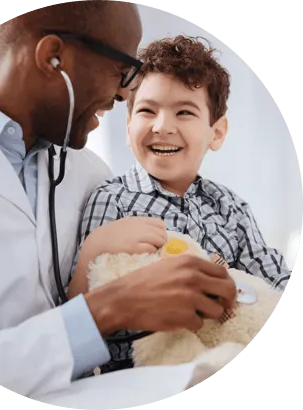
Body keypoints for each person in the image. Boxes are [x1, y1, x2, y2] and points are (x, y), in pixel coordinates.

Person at [0, 1, 238, 399]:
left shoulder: (90, 174)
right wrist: (104, 310)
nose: (123, 93)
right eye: (122, 70)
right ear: (53, 57)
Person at [68, 35, 292, 374]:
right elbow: (78, 316)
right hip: (139, 377)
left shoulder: (230, 207)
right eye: (147, 111)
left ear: (216, 133)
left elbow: (275, 280)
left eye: (184, 112)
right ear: (128, 128)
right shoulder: (111, 199)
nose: (162, 127)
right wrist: (92, 251)